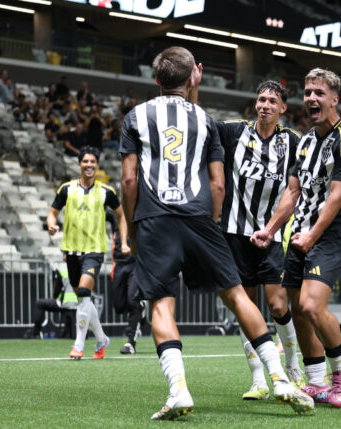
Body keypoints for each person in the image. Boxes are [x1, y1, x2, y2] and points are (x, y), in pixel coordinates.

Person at [119, 46, 313, 420]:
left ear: (157, 79)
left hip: (155, 219)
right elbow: (218, 185)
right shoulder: (206, 121)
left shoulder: (137, 116)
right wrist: (213, 220)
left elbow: (129, 179)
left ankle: (178, 389)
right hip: (200, 218)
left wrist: (134, 222)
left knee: (161, 303)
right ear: (195, 75)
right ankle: (281, 378)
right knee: (239, 297)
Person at [251, 67, 341, 409]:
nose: (312, 98)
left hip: (328, 236)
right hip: (300, 233)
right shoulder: (305, 142)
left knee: (313, 306)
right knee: (296, 310)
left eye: (319, 92)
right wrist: (270, 230)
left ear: (334, 99)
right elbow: (293, 191)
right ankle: (315, 382)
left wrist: (313, 236)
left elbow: (338, 196)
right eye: (308, 92)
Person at [214, 80, 306, 399]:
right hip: (235, 233)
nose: (264, 104)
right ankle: (258, 379)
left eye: (271, 100)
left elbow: (294, 193)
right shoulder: (234, 132)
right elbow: (198, 121)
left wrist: (270, 227)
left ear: (283, 108)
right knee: (247, 308)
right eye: (260, 99)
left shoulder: (294, 143)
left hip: (273, 235)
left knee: (278, 303)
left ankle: (293, 365)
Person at [47, 146, 127, 360]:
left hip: (94, 251)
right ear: (79, 164)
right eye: (86, 162)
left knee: (83, 293)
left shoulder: (106, 192)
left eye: (93, 162)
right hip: (71, 251)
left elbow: (121, 216)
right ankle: (101, 339)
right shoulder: (66, 189)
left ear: (97, 165)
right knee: (84, 300)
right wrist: (52, 225)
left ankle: (79, 345)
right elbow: (52, 214)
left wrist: (124, 241)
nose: (89, 165)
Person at [105, 208, 146, 354]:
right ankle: (140, 311)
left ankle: (130, 342)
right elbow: (99, 211)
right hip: (119, 263)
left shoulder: (143, 210)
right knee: (119, 305)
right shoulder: (117, 213)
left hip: (136, 263)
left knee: (132, 300)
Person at [24, 264, 78, 339]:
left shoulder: (62, 269)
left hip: (65, 302)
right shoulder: (83, 266)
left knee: (40, 303)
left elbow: (56, 292)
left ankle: (35, 333)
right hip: (80, 304)